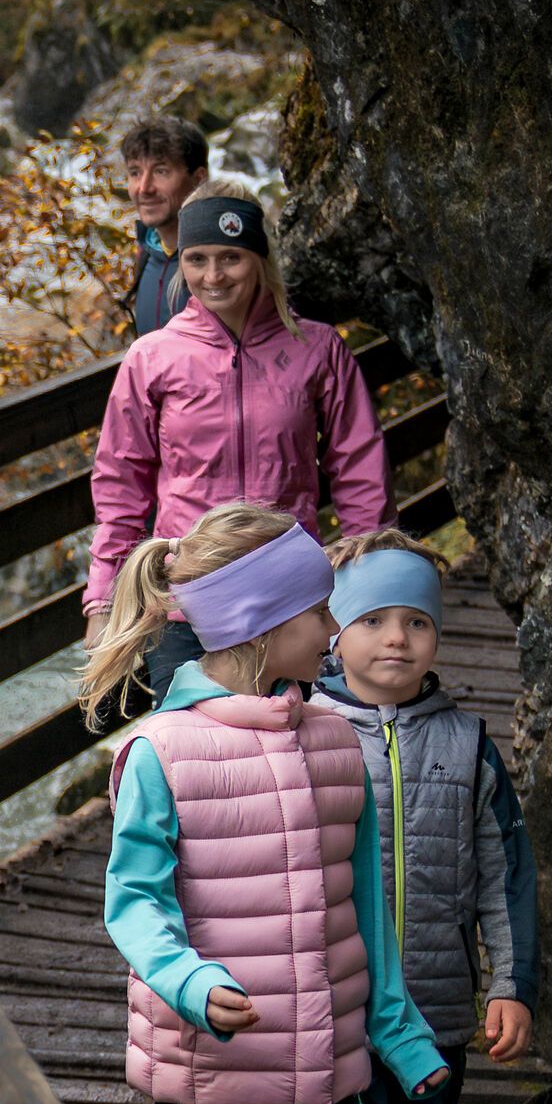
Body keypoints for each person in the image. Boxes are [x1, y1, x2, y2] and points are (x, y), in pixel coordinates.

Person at [82, 505, 450, 1104]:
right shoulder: (160, 751)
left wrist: (398, 1033)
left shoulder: (335, 743)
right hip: (205, 1083)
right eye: (319, 610)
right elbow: (136, 904)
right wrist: (193, 984)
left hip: (321, 1084)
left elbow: (364, 908)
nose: (334, 628)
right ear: (259, 622)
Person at [312, 532, 541, 1104]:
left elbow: (504, 876)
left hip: (440, 1016)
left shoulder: (469, 744)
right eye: (373, 619)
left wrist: (510, 984)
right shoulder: (306, 731)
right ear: (334, 633)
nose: (396, 639)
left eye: (416, 621)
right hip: (340, 1014)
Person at [87, 194, 390, 708]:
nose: (213, 275)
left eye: (231, 257)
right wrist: (102, 599)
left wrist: (372, 586)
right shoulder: (153, 357)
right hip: (189, 599)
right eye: (197, 259)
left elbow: (360, 468)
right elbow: (121, 485)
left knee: (297, 740)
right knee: (192, 747)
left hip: (290, 598)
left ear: (259, 259)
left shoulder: (317, 348)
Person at [118, 116, 211, 337]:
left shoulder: (224, 260)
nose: (144, 188)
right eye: (135, 173)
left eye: (161, 171)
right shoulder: (148, 249)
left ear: (198, 178)